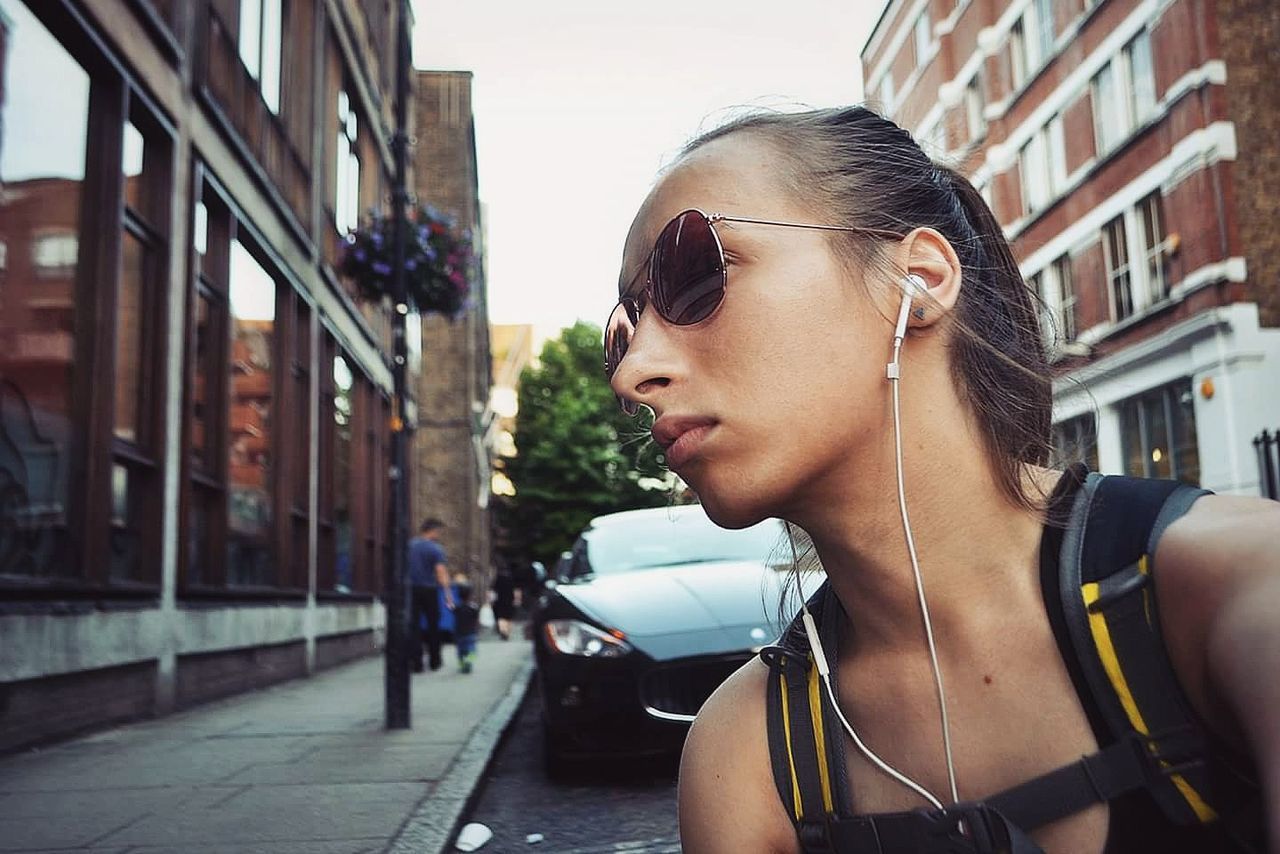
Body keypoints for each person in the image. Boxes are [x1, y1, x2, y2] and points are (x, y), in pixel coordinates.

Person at [604, 106, 1277, 853]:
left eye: (696, 274)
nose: (635, 374)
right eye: (624, 331)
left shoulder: (1229, 592)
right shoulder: (744, 756)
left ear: (917, 282)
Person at [408, 517, 454, 672]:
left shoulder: (410, 546)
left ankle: (416, 662)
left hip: (412, 589)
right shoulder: (435, 549)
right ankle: (435, 660)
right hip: (429, 589)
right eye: (438, 532)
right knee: (433, 625)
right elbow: (440, 572)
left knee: (413, 625)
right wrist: (447, 593)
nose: (439, 535)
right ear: (433, 531)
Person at [452, 580, 481, 674]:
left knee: (460, 651)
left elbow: (451, 608)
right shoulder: (474, 608)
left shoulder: (457, 607)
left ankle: (462, 665)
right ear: (470, 595)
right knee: (472, 650)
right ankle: (468, 662)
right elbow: (477, 621)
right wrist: (477, 630)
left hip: (459, 633)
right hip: (471, 633)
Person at [490, 560, 517, 641]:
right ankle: (507, 632)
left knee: (501, 616)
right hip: (510, 600)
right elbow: (515, 590)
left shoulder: (498, 578)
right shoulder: (511, 578)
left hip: (500, 600)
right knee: (509, 617)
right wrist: (516, 599)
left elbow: (493, 590)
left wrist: (491, 600)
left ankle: (503, 631)